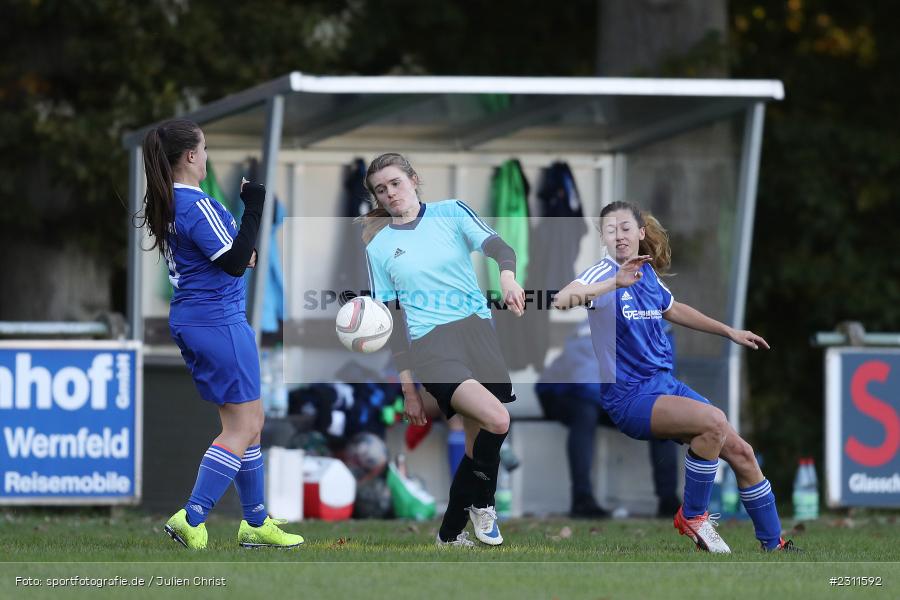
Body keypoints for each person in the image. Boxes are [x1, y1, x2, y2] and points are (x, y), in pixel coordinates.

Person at [553, 201, 798, 553]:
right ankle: (694, 515)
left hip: (664, 385)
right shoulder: (602, 273)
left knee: (742, 452)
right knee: (714, 421)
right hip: (630, 398)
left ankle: (774, 545)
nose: (618, 235)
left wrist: (728, 331)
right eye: (610, 230)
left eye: (625, 228)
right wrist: (612, 283)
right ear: (603, 238)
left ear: (640, 233)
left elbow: (674, 308)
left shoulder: (647, 273)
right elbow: (562, 300)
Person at [139, 119, 303, 550]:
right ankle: (192, 517)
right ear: (191, 156)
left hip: (199, 319)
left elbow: (237, 256)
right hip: (218, 321)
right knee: (244, 425)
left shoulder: (171, 202)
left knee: (248, 423)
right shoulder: (196, 203)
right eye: (205, 148)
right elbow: (236, 260)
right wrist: (255, 205)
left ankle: (255, 522)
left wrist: (243, 247)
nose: (207, 156)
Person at [362, 153, 525, 547]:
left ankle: (449, 537)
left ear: (414, 180)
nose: (390, 194)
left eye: (395, 183)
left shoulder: (451, 212)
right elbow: (392, 321)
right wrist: (408, 389)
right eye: (381, 190)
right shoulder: (379, 246)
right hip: (431, 345)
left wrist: (507, 278)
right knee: (498, 420)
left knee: (475, 448)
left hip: (478, 334)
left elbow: (500, 247)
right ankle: (484, 507)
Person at [535, 321, 680, 519]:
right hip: (562, 391)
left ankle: (669, 501)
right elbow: (586, 380)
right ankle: (582, 499)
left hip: (613, 397)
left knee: (663, 417)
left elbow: (662, 380)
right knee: (585, 412)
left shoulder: (659, 326)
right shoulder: (597, 323)